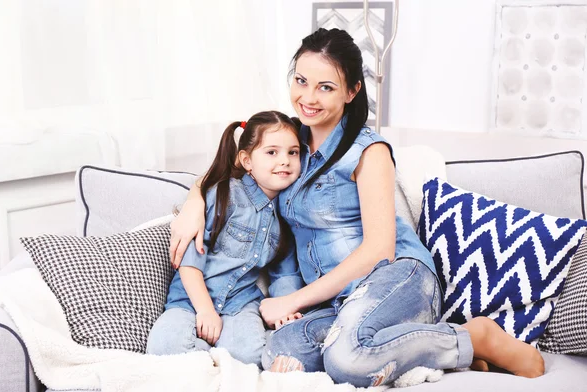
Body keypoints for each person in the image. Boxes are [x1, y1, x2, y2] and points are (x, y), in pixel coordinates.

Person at [170, 28, 545, 387]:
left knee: (346, 359)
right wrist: (192, 202)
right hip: (336, 303)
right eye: (300, 81)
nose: (308, 98)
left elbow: (379, 250)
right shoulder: (288, 142)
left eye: (326, 87)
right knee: (277, 349)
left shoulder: (369, 152)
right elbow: (231, 167)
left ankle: (472, 338)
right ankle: (427, 351)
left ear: (352, 91)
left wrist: (293, 299)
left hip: (395, 277)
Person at [146, 111, 305, 369]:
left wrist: (285, 311)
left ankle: (217, 359)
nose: (285, 161)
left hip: (240, 304)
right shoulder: (225, 194)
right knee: (164, 347)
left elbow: (285, 274)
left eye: (293, 152)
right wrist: (206, 311)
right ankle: (206, 358)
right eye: (272, 152)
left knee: (249, 356)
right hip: (190, 300)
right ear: (247, 160)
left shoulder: (288, 215)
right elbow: (189, 261)